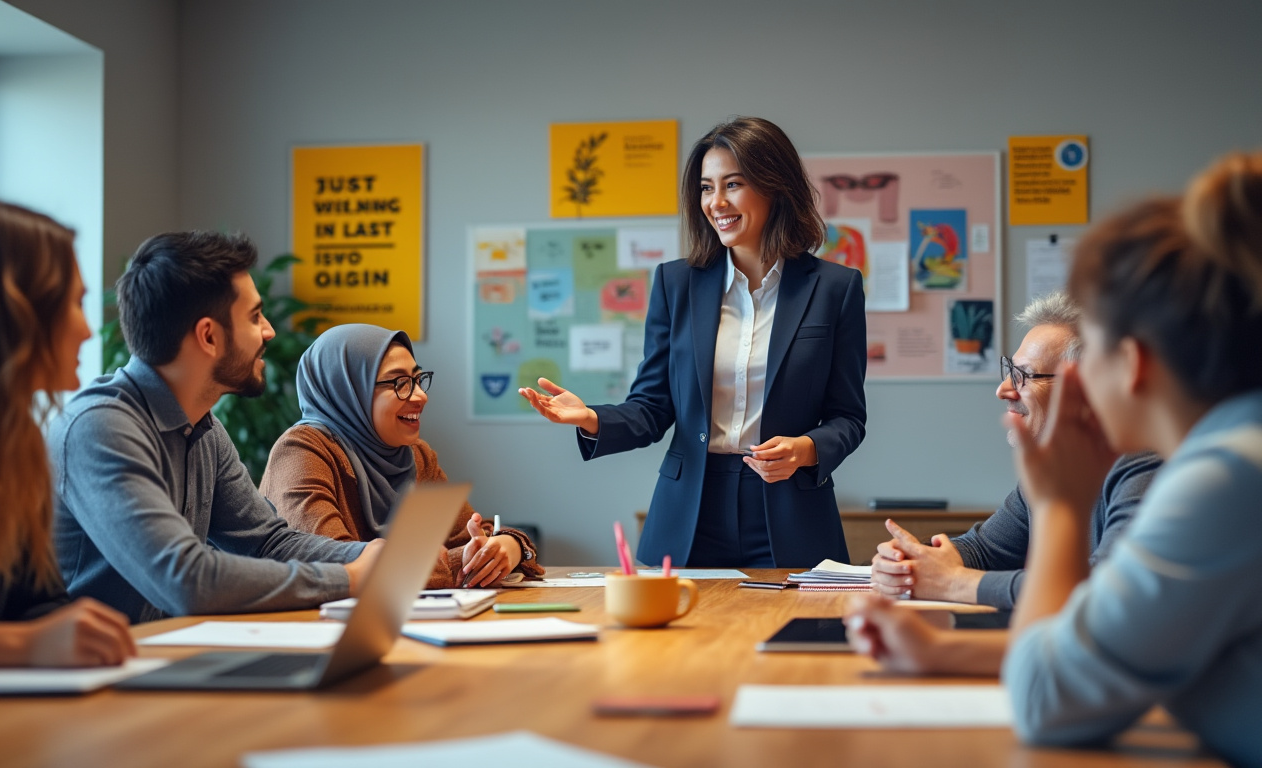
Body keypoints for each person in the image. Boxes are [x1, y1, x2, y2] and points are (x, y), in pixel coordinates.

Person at [846, 152, 1262, 766]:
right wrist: (941, 653)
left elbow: (1046, 702)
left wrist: (1061, 504)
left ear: (1131, 363)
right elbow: (1109, 649)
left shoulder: (1225, 478)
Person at [520, 117, 867, 568]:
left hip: (791, 512)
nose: (716, 202)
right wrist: (591, 418)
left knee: (792, 636)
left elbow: (848, 416)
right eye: (705, 188)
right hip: (691, 512)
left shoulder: (835, 289)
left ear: (775, 186)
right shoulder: (675, 284)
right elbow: (652, 407)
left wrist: (807, 449)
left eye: (732, 184)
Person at [51, 231, 380, 624]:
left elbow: (267, 543)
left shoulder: (204, 430)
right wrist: (347, 579)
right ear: (209, 336)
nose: (270, 331)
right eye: (256, 316)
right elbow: (186, 581)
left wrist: (376, 557)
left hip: (157, 659)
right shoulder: (100, 427)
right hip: (83, 675)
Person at [0, 197, 134, 671]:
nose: (88, 330)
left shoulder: (12, 444)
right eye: (74, 303)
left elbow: (35, 603)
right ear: (10, 310)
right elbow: (28, 633)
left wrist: (84, 632)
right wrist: (24, 646)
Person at [868, 292, 1160, 607]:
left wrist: (952, 583)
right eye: (1009, 370)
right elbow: (984, 550)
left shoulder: (1140, 462)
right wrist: (913, 560)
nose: (1003, 389)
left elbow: (1104, 589)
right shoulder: (1054, 467)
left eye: (1024, 376)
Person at [261, 324, 544, 588]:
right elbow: (336, 565)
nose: (420, 396)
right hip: (314, 631)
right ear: (349, 388)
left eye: (418, 379)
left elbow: (474, 534)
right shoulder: (301, 451)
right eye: (399, 382)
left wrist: (508, 546)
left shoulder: (415, 455)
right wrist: (462, 562)